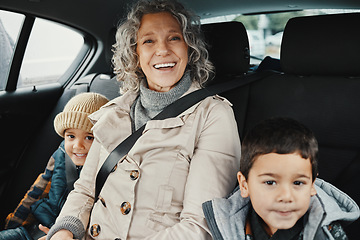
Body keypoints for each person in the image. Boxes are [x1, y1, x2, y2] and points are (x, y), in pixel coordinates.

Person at [46, 0, 241, 239]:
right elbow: (85, 191)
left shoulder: (213, 114)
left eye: (174, 38)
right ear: (135, 53)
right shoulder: (112, 112)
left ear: (189, 49)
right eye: (148, 41)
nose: (162, 50)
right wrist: (64, 230)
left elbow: (200, 226)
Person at [202, 117, 360, 240]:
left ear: (312, 185)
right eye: (270, 182)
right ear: (244, 185)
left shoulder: (327, 232)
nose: (285, 196)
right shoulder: (227, 225)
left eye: (298, 183)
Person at [0, 92, 109, 240]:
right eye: (71, 136)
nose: (78, 146)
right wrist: (13, 225)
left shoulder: (107, 170)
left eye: (89, 137)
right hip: (35, 228)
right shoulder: (61, 154)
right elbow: (37, 192)